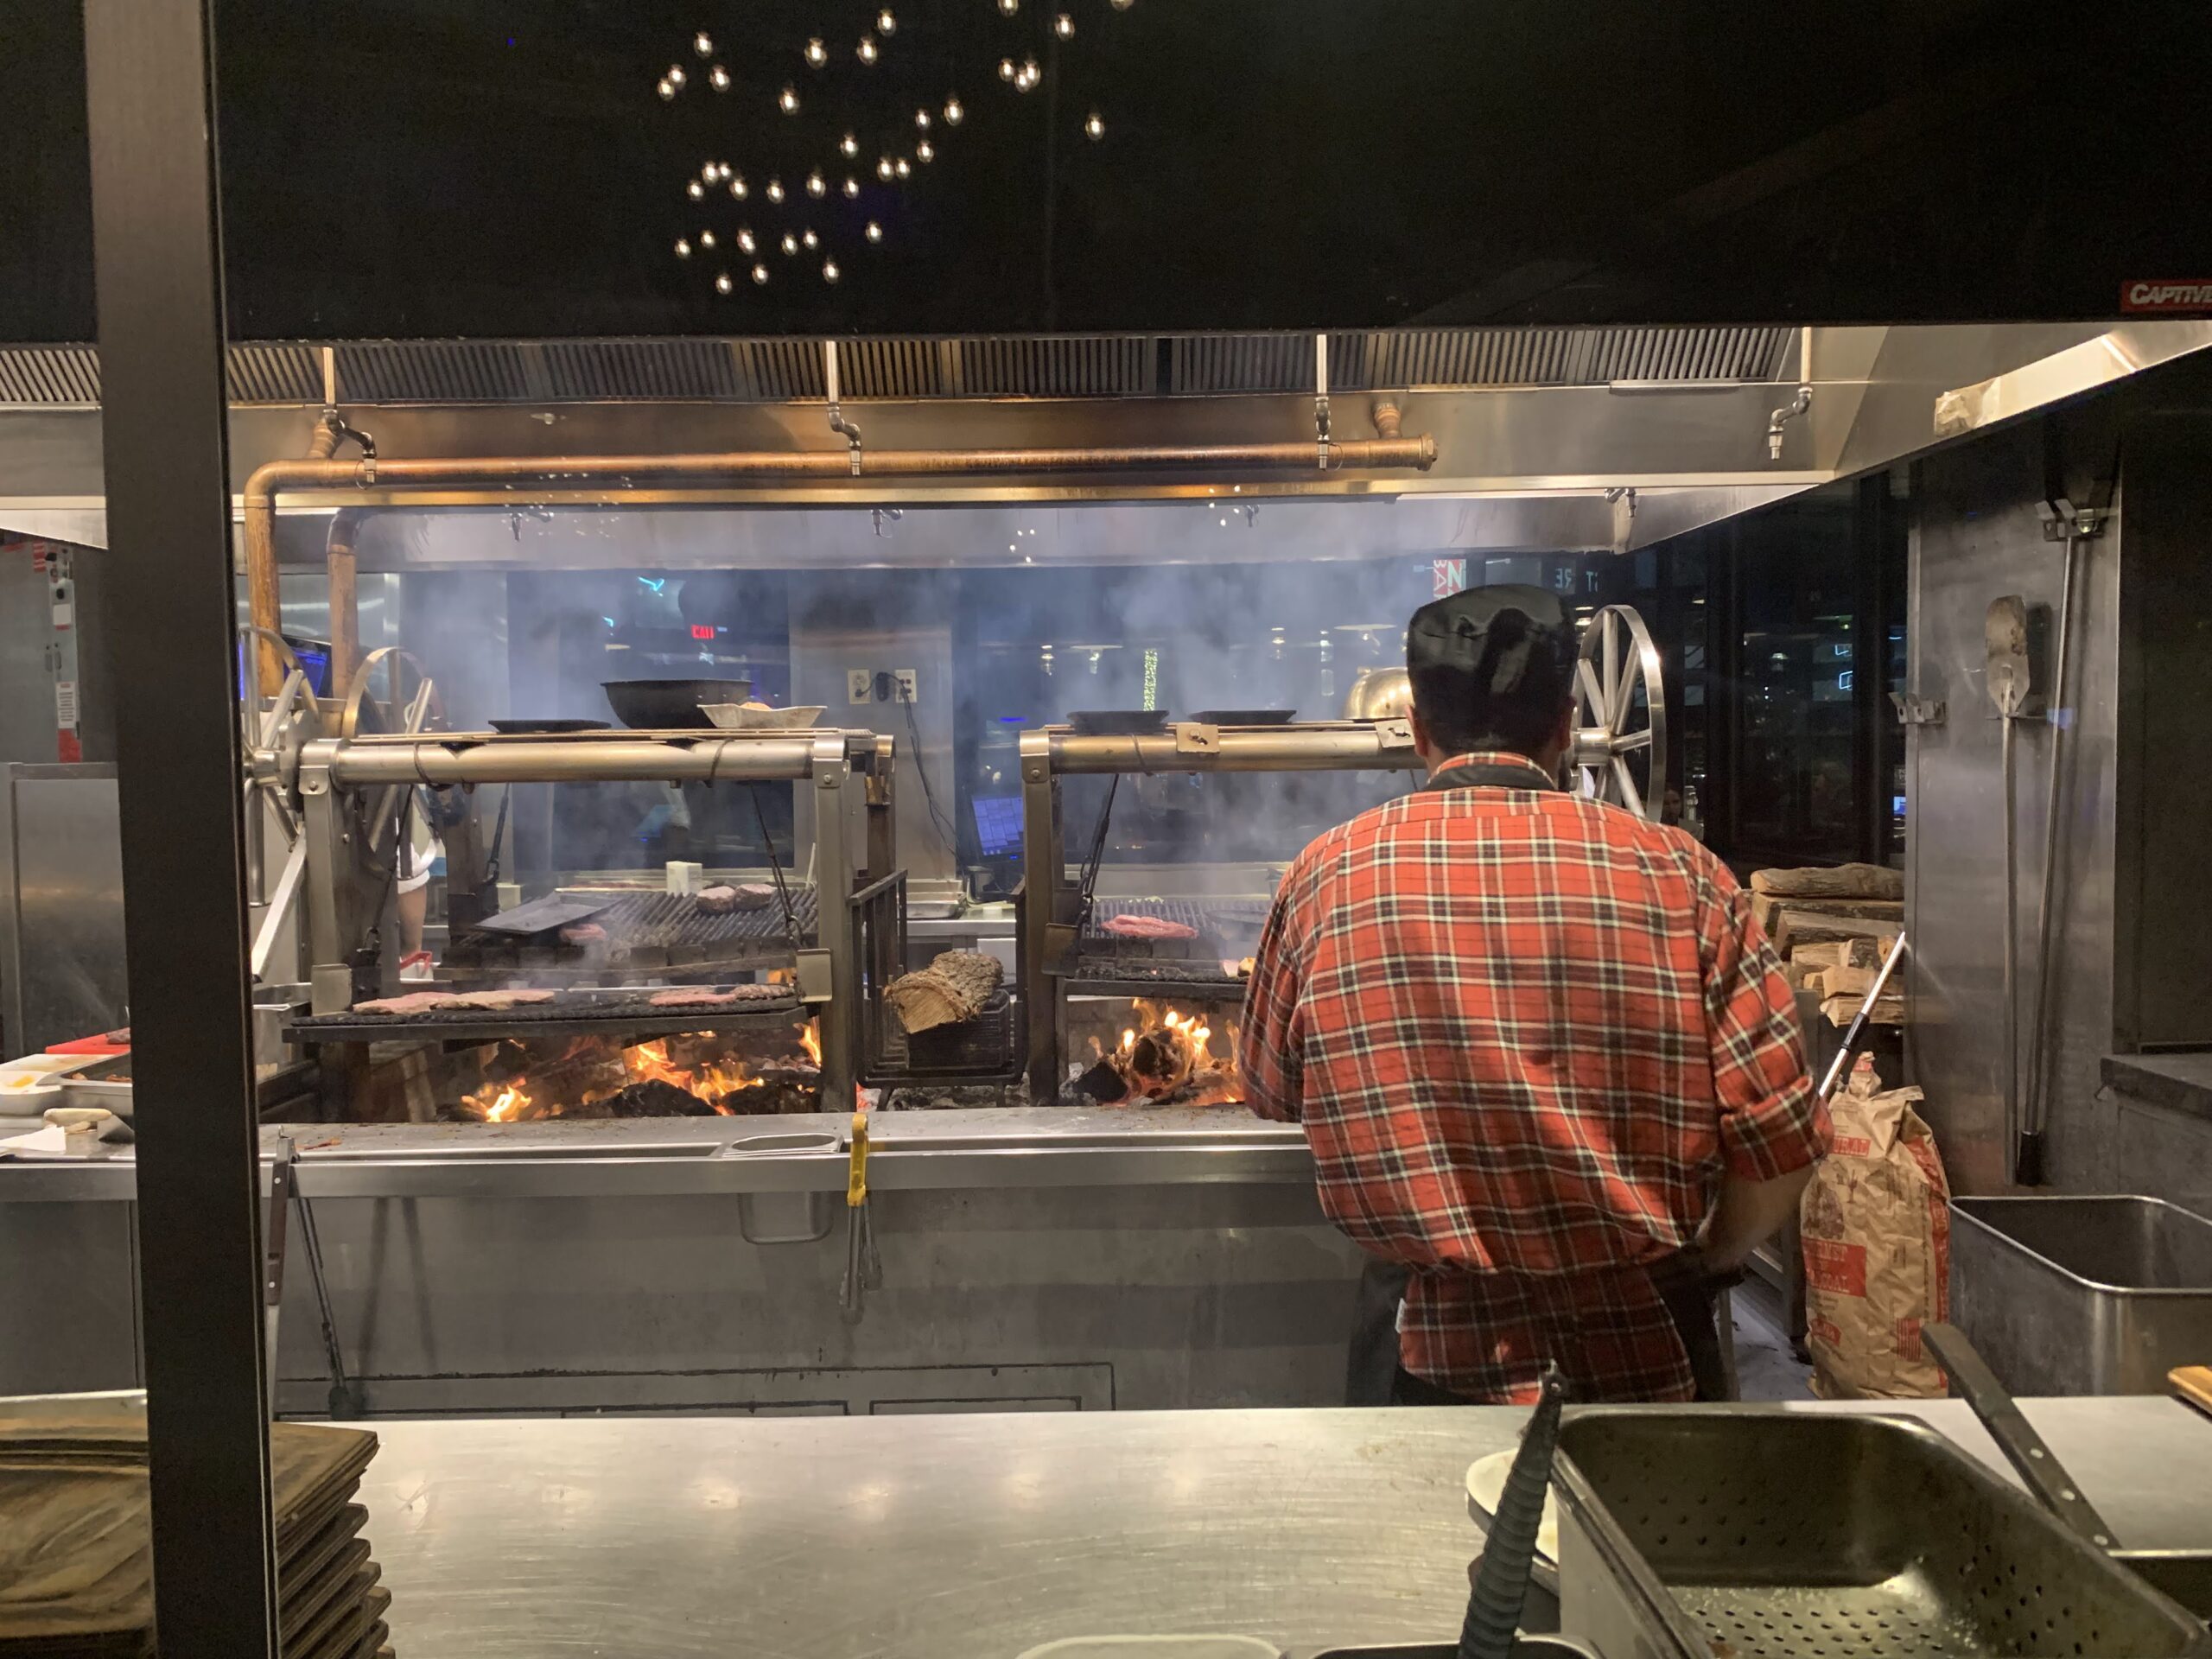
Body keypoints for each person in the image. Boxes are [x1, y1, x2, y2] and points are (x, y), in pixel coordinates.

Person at [1237, 585, 1827, 1405]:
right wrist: (1712, 1257)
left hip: (1422, 1354)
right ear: (1566, 727)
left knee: (1429, 1540)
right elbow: (1783, 1142)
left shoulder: (1324, 875)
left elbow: (1271, 1090)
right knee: (1629, 1540)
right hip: (1646, 1347)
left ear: (1416, 728)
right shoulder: (1685, 876)